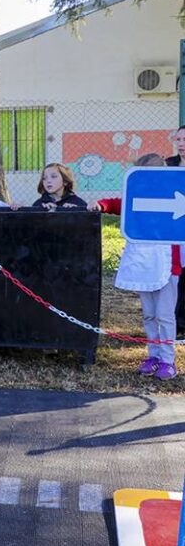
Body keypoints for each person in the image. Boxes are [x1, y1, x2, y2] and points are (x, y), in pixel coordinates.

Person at [90, 153, 179, 381]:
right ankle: (153, 356)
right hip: (144, 262)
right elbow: (120, 204)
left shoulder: (175, 193)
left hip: (168, 264)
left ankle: (168, 360)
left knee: (164, 315)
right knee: (149, 315)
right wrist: (102, 205)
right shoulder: (137, 194)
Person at [165, 126, 185, 335]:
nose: (181, 144)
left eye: (184, 139)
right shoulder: (168, 165)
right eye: (178, 139)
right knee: (175, 278)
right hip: (173, 230)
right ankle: (175, 322)